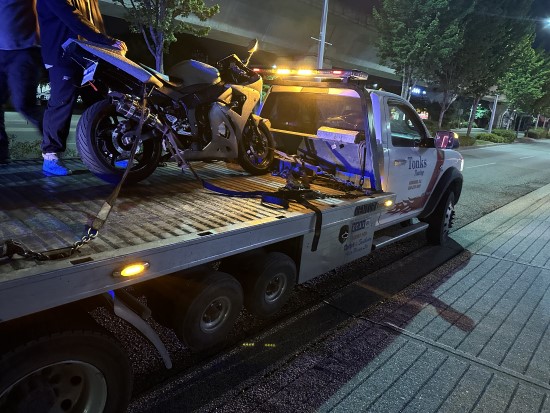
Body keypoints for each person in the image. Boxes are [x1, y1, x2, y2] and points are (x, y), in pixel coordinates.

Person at [36, 0, 127, 175]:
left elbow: (95, 23)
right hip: (62, 55)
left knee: (98, 104)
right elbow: (71, 16)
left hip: (88, 55)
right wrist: (106, 41)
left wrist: (103, 46)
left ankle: (110, 151)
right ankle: (50, 156)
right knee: (61, 104)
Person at [0, 0, 43, 165]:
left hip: (24, 51)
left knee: (25, 104)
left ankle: (53, 145)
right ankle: (1, 156)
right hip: (1, 52)